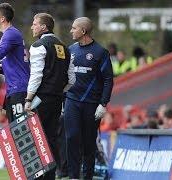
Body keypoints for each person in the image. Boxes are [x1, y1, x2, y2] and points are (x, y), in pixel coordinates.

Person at [64, 17, 114, 179]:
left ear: (83, 31)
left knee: (88, 143)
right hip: (72, 101)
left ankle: (87, 177)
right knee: (71, 138)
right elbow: (64, 76)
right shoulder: (70, 50)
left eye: (74, 28)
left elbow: (108, 80)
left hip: (92, 104)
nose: (71, 31)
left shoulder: (101, 52)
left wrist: (103, 104)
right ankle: (73, 176)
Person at [24, 13, 69, 180]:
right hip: (57, 99)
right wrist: (57, 89)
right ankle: (51, 176)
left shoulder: (38, 46)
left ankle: (36, 176)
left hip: (40, 99)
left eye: (35, 24)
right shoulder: (64, 47)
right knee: (50, 138)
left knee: (35, 138)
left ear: (44, 27)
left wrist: (29, 99)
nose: (32, 27)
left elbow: (36, 76)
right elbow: (71, 78)